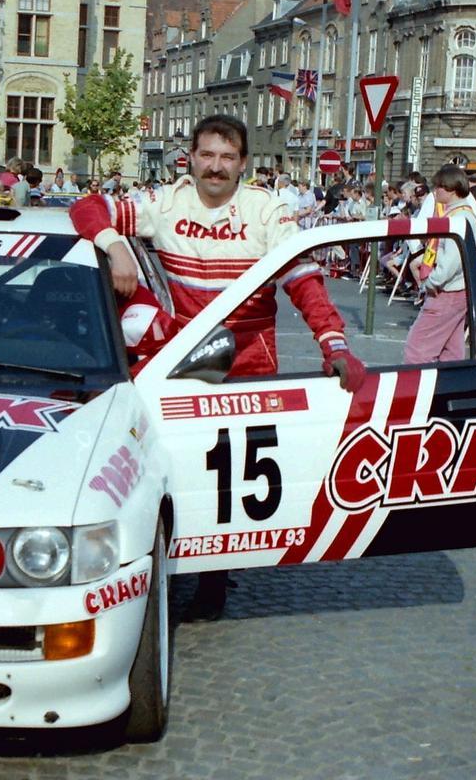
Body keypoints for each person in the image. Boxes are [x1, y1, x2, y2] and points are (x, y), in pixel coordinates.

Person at [68, 114, 366, 621]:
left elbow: (306, 284)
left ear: (244, 164)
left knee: (229, 479)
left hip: (250, 362)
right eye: (207, 155)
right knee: (175, 465)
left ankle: (215, 577)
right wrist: (115, 244)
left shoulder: (269, 211)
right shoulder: (165, 202)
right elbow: (86, 207)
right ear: (191, 157)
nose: (216, 167)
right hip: (181, 364)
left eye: (228, 158)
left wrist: (334, 345)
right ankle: (170, 561)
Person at [403, 165, 476, 364]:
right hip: (458, 290)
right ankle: (448, 391)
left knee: (418, 349)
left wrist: (430, 282)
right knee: (451, 352)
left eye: (439, 187)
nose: (435, 191)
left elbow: (450, 262)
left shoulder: (459, 218)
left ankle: (416, 391)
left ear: (452, 188)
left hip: (447, 291)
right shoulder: (462, 215)